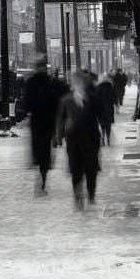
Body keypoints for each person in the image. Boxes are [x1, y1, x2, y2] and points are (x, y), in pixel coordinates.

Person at [56, 69, 103, 210]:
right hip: (73, 139)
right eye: (76, 82)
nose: (78, 85)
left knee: (91, 168)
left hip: (91, 138)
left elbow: (101, 114)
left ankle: (91, 193)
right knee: (76, 168)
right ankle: (77, 195)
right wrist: (59, 136)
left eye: (80, 82)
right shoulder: (66, 100)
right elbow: (60, 118)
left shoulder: (93, 98)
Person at [23, 56, 66, 195]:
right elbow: (60, 97)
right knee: (46, 151)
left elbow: (26, 103)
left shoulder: (31, 82)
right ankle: (42, 178)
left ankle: (40, 176)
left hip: (36, 121)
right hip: (49, 121)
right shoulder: (50, 82)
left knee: (38, 148)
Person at [95, 72, 116, 146]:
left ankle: (103, 137)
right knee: (108, 125)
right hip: (109, 109)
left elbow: (95, 99)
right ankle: (108, 138)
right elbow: (113, 98)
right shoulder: (110, 87)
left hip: (100, 110)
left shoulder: (97, 88)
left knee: (102, 125)